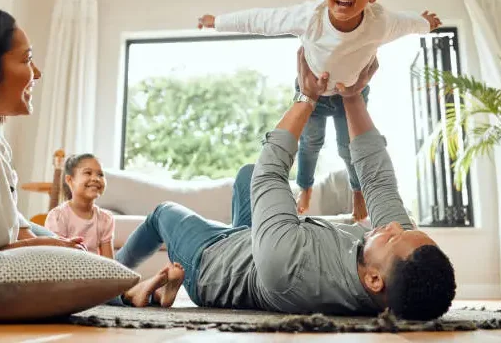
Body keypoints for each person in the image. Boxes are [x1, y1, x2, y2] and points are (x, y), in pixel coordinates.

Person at [115, 47, 456, 320]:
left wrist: (307, 97)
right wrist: (353, 98)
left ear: (374, 280)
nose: (393, 225)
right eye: (403, 228)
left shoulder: (291, 270)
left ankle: (115, 284)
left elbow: (271, 172)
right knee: (246, 174)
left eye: (394, 234)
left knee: (163, 213)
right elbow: (378, 180)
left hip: (211, 264)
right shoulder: (391, 268)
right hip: (255, 244)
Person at [0, 2, 181, 308]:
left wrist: (39, 243)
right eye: (27, 59)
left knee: (63, 244)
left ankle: (127, 289)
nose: (37, 72)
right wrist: (33, 251)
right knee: (74, 255)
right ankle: (126, 290)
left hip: (11, 232)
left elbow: (10, 219)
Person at [197, 0, 442, 221]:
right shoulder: (309, 17)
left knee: (348, 148)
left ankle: (358, 192)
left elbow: (409, 23)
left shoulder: (381, 22)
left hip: (350, 93)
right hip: (311, 92)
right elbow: (261, 20)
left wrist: (426, 24)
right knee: (310, 143)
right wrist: (218, 22)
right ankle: (305, 187)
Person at [46, 153, 185, 307]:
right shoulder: (58, 216)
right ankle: (144, 293)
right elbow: (57, 262)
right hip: (72, 278)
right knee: (110, 298)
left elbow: (110, 265)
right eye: (88, 173)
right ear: (69, 180)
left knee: (112, 285)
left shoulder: (105, 218)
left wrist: (112, 281)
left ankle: (149, 294)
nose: (95, 178)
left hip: (100, 275)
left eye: (100, 174)